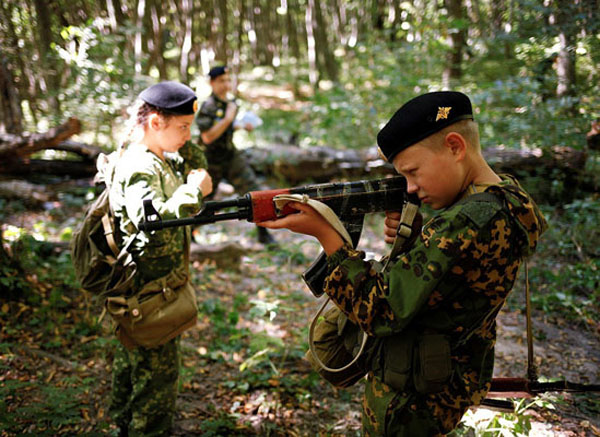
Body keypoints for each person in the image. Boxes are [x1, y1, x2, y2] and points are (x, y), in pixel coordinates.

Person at [258, 91, 548, 436]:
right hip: (444, 381)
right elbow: (454, 279)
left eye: (413, 172)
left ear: (455, 147)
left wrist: (327, 237)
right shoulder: (507, 197)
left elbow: (380, 310)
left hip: (410, 402)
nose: (410, 187)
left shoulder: (466, 222)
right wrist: (420, 244)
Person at [106, 81, 212, 436]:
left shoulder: (159, 157)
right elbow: (151, 222)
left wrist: (185, 141)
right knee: (156, 382)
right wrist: (192, 191)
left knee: (134, 366)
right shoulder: (140, 167)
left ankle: (124, 424)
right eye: (182, 127)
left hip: (155, 291)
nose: (188, 135)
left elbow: (196, 162)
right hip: (147, 295)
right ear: (154, 123)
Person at [195, 65, 276, 245]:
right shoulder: (208, 106)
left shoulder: (230, 103)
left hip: (231, 156)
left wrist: (241, 125)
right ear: (212, 83)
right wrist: (228, 119)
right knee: (204, 201)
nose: (226, 84)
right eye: (221, 81)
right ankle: (189, 233)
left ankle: (263, 233)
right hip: (211, 160)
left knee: (254, 193)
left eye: (227, 80)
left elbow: (226, 128)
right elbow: (208, 137)